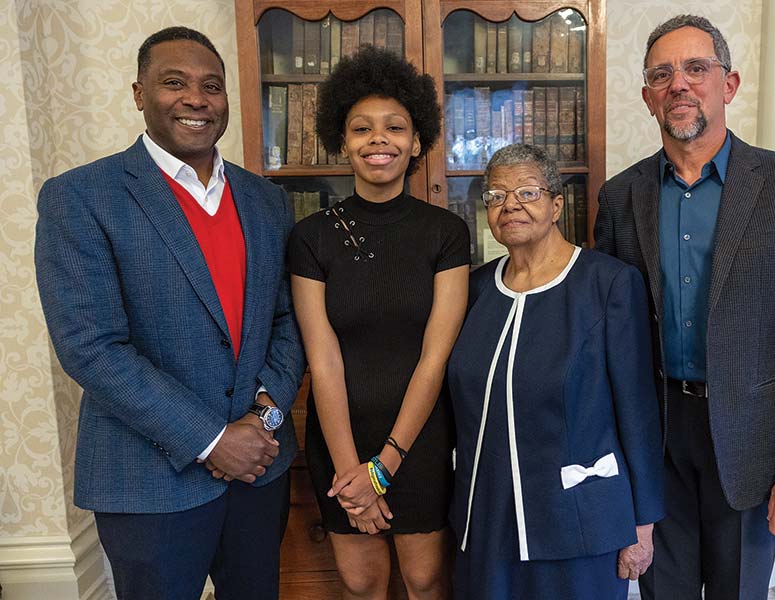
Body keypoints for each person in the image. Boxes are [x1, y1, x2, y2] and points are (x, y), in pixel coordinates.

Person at [33, 27, 304, 600]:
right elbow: (91, 348)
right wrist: (211, 439)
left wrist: (265, 419)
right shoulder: (81, 197)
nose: (196, 99)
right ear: (138, 93)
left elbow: (287, 320)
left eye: (212, 86)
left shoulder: (266, 200)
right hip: (148, 481)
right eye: (174, 83)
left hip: (261, 469)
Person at [594, 14, 775, 599]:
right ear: (648, 98)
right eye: (662, 74)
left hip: (752, 441)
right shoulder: (620, 195)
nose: (679, 83)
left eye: (696, 68)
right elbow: (608, 337)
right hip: (654, 440)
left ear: (727, 85)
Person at [288, 46, 470, 600]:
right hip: (340, 440)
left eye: (395, 127)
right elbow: (322, 359)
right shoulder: (310, 237)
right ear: (342, 141)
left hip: (420, 440)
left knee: (425, 580)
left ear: (417, 142)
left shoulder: (446, 232)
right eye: (361, 128)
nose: (378, 139)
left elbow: (434, 358)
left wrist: (384, 466)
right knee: (362, 583)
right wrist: (353, 476)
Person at [448, 143, 665, 600]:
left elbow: (638, 413)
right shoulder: (473, 290)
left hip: (578, 522)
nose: (510, 205)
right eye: (496, 196)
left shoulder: (608, 284)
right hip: (486, 521)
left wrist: (642, 524)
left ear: (557, 204)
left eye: (527, 192)